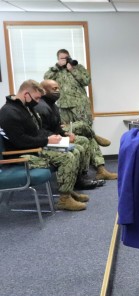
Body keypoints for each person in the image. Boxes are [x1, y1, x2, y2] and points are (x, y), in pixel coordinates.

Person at [0, 80, 90, 211]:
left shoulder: (25, 107)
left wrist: (54, 137)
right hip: (21, 156)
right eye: (36, 98)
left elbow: (37, 131)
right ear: (26, 94)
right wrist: (47, 141)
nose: (37, 101)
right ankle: (64, 200)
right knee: (67, 157)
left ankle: (68, 191)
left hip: (33, 148)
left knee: (75, 151)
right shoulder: (9, 113)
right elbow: (21, 141)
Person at [36, 79, 117, 183]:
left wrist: (64, 133)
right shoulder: (41, 106)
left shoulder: (53, 105)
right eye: (54, 89)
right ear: (43, 90)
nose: (57, 91)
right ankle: (94, 136)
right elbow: (42, 130)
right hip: (50, 140)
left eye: (58, 88)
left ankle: (100, 170)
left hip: (60, 132)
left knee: (87, 139)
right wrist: (63, 136)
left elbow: (56, 126)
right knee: (83, 125)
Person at [43, 48, 111, 148]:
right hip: (63, 106)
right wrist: (57, 66)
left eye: (67, 58)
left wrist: (72, 70)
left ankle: (98, 161)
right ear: (58, 59)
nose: (65, 60)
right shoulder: (55, 71)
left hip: (80, 105)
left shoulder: (78, 67)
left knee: (86, 129)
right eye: (62, 58)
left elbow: (86, 81)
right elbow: (46, 80)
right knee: (68, 132)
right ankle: (79, 156)